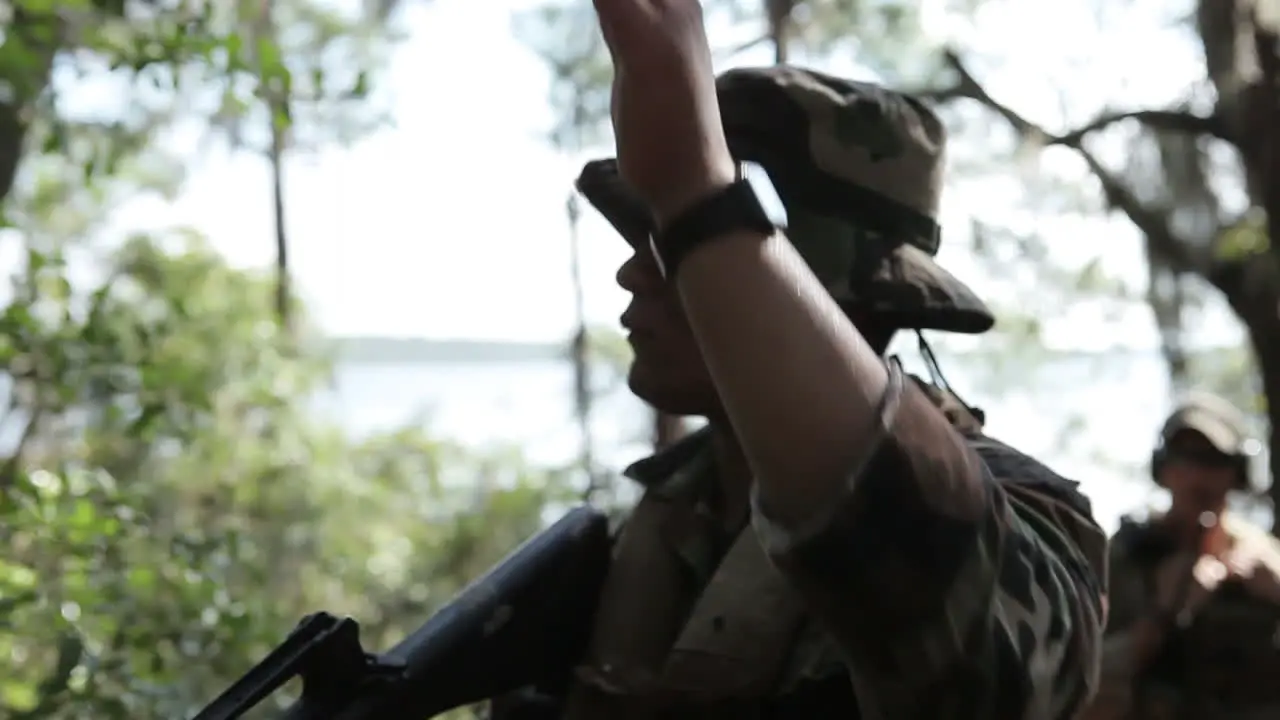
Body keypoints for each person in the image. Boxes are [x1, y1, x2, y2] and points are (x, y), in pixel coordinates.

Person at [492, 1, 1108, 718]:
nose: (636, 275)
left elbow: (991, 685)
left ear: (815, 291)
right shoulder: (654, 530)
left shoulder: (1026, 518)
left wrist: (700, 195)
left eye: (677, 247)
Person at [1083, 394, 1280, 720]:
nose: (1195, 477)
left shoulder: (1262, 554)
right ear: (1163, 468)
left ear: (1237, 472)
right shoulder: (1124, 557)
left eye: (1211, 461)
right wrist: (1162, 612)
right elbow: (1084, 678)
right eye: (1183, 459)